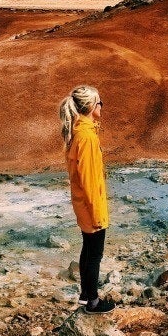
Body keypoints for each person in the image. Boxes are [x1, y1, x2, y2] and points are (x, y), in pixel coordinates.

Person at [59, 85, 114, 313]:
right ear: (91, 107)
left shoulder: (77, 133)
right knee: (95, 254)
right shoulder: (87, 137)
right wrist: (99, 215)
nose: (102, 106)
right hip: (91, 206)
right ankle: (92, 301)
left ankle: (85, 296)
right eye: (100, 102)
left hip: (81, 204)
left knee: (87, 250)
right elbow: (90, 180)